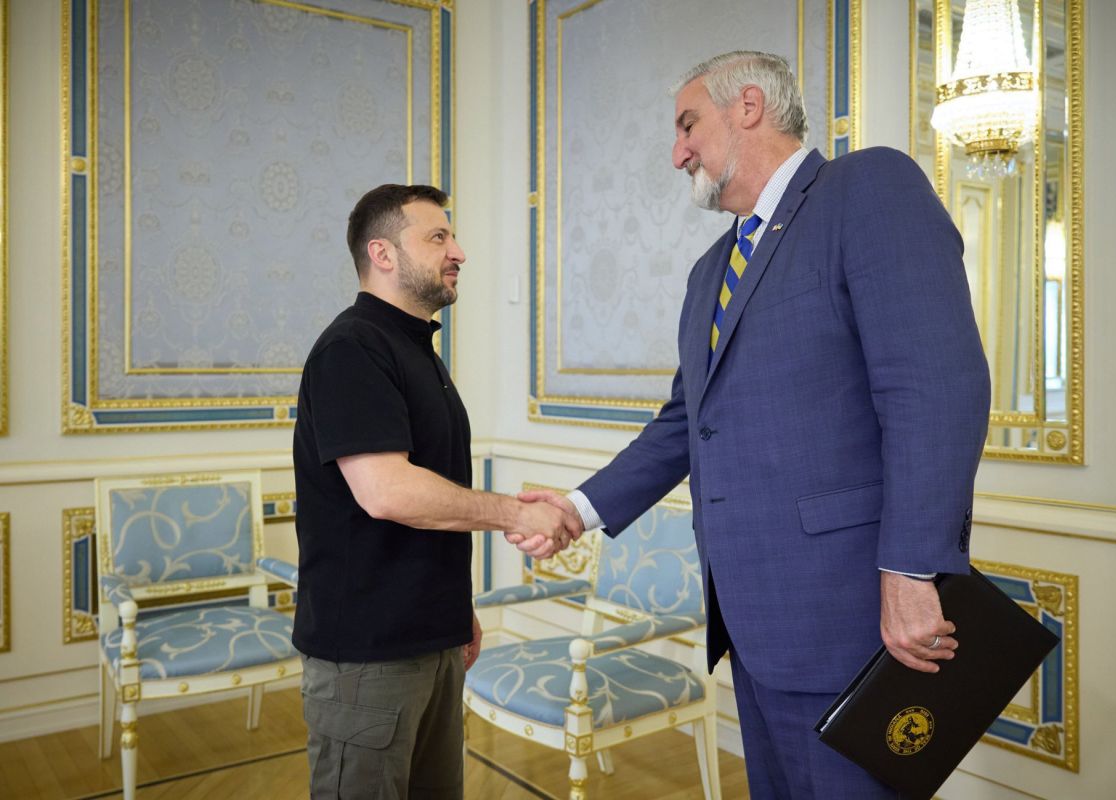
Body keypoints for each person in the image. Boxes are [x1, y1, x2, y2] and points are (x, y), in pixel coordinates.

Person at [514, 52, 991, 798]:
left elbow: (936, 386)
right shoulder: (711, 270)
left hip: (852, 618)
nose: (677, 152)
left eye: (686, 124)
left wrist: (911, 568)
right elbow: (684, 425)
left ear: (747, 106)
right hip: (750, 623)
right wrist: (575, 510)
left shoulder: (867, 189)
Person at [292, 184, 580, 800]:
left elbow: (432, 494)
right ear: (384, 253)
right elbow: (387, 492)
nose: (459, 252)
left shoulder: (415, 348)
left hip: (433, 637)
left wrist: (455, 610)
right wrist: (515, 511)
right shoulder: (352, 348)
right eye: (438, 237)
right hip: (368, 654)